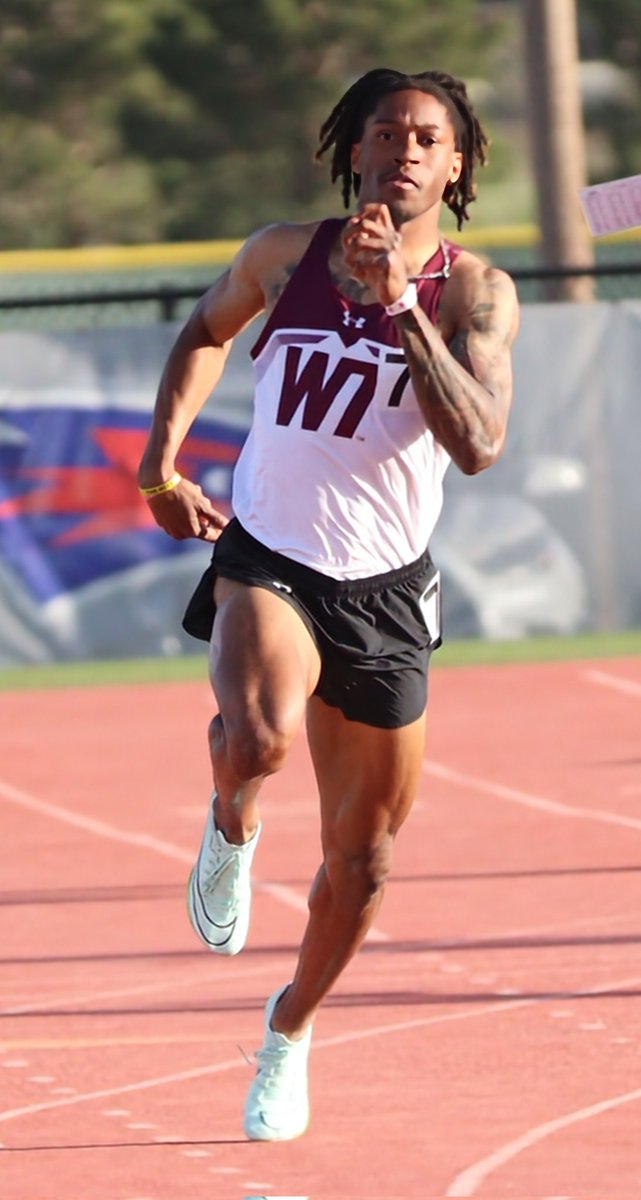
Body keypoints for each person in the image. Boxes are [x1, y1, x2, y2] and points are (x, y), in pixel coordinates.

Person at [138, 66, 519, 1142]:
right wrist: (160, 466)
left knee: (364, 861)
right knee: (253, 738)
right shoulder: (282, 254)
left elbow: (479, 445)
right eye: (384, 131)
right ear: (350, 150)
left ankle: (289, 1029)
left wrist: (400, 305)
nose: (402, 148)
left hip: (387, 590)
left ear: (455, 166)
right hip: (272, 553)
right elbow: (204, 333)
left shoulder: (470, 292)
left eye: (426, 137)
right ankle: (231, 819)